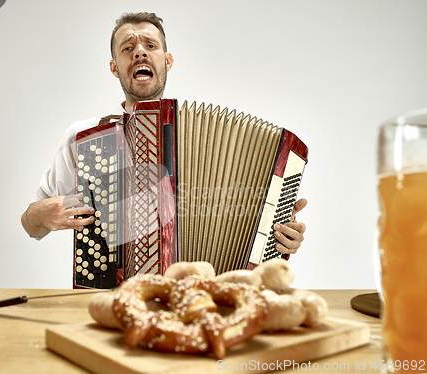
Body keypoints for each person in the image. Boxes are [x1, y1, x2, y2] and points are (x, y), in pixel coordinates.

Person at [21, 12, 307, 255]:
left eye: (150, 45)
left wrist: (277, 234)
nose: (140, 52)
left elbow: (245, 221)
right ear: (114, 67)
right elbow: (30, 224)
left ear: (167, 61)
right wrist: (39, 215)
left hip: (200, 297)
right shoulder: (86, 138)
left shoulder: (214, 142)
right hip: (116, 298)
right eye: (127, 47)